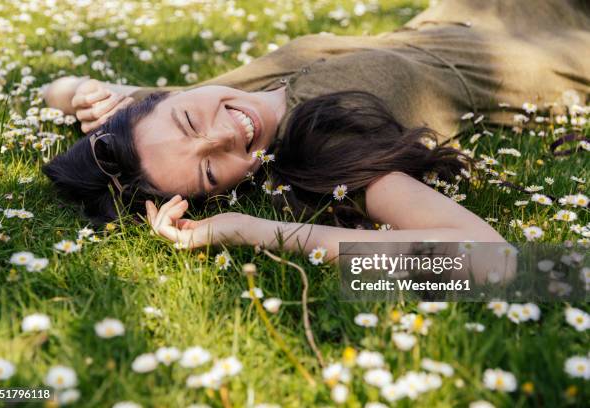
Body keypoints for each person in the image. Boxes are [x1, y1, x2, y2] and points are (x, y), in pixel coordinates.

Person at [41, 0, 589, 266]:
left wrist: (85, 94)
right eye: (210, 170)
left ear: (162, 100)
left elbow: (55, 89)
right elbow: (487, 260)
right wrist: (247, 230)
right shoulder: (329, 148)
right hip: (557, 51)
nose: (224, 134)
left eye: (188, 120)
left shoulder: (177, 113)